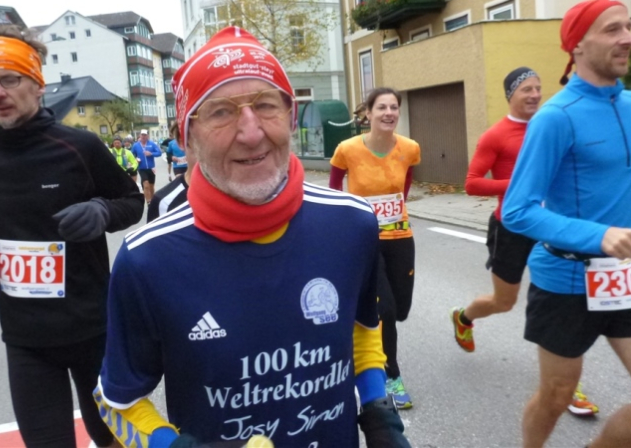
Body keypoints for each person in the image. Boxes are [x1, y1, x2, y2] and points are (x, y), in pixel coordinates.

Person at [94, 27, 410, 448]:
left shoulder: (352, 223)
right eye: (220, 112)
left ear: (291, 117)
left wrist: (379, 413)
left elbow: (361, 328)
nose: (251, 132)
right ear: (186, 137)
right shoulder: (146, 259)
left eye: (265, 105)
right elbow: (115, 400)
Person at [0, 26, 143, 447]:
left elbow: (132, 202)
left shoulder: (80, 147)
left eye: (9, 79)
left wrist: (102, 210)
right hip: (26, 340)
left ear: (37, 85)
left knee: (112, 439)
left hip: (93, 330)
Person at [502, 0, 631, 447]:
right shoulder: (555, 118)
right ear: (577, 45)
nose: (628, 38)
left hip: (626, 277)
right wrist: (599, 235)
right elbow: (518, 209)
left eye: (629, 26)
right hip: (566, 279)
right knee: (558, 394)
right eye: (612, 29)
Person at [450, 68, 598, 417]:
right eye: (526, 89)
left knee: (563, 304)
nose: (534, 94)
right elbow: (472, 183)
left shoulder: (554, 126)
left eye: (538, 88)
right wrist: (522, 184)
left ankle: (567, 386)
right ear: (510, 95)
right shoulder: (496, 135)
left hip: (554, 226)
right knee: (504, 302)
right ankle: (464, 317)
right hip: (511, 228)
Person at [329, 88, 420, 410]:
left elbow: (404, 186)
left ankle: (363, 336)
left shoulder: (410, 148)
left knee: (401, 308)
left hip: (400, 237)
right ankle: (390, 374)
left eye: (394, 107)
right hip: (365, 239)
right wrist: (347, 225)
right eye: (381, 107)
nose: (388, 113)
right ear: (368, 113)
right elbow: (334, 190)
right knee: (386, 311)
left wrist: (392, 212)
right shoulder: (347, 149)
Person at [147, 122, 195, 223]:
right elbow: (168, 154)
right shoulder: (172, 144)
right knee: (179, 180)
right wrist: (172, 157)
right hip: (178, 166)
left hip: (186, 164)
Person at [131, 129, 162, 204]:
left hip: (151, 168)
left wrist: (151, 153)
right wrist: (136, 159)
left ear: (147, 136)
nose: (143, 136)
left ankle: (153, 200)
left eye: (145, 135)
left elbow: (159, 153)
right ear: (140, 135)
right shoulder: (136, 145)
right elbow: (131, 155)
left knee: (151, 186)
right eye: (142, 135)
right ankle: (148, 202)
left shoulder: (152, 144)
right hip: (141, 168)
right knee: (146, 185)